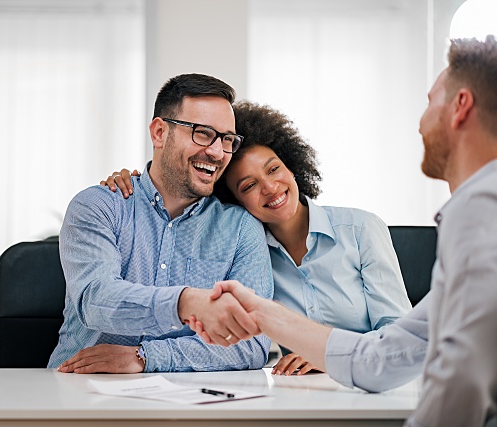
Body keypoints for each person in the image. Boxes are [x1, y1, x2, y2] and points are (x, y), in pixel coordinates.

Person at [192, 36, 497, 427]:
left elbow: (461, 386)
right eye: (248, 185)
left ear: (461, 107)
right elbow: (383, 360)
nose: (419, 123)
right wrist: (259, 310)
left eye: (429, 102)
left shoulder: (479, 211)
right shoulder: (469, 214)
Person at [102, 101, 412, 376]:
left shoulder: (360, 229)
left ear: (292, 166)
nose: (270, 187)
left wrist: (330, 355)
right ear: (236, 201)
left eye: (274, 169)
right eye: (249, 185)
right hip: (302, 394)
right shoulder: (247, 250)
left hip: (378, 381)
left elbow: (401, 336)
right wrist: (138, 190)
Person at [48, 73, 274, 374]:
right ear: (158, 133)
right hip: (81, 392)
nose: (218, 152)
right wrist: (186, 303)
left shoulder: (241, 229)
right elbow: (96, 301)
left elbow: (250, 344)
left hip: (189, 407)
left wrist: (146, 357)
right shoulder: (99, 206)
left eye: (227, 140)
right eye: (203, 133)